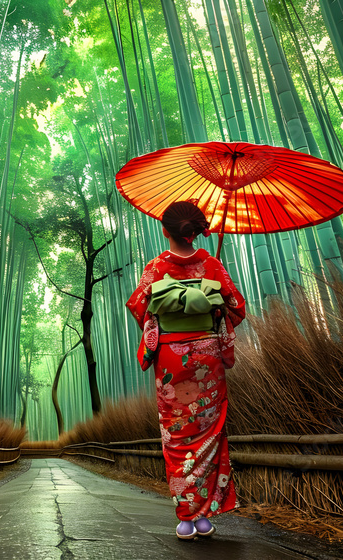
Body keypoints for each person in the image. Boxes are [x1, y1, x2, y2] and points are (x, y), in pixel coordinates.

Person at [125, 200, 246, 541]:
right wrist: (209, 301)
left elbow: (139, 307)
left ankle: (185, 517)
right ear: (196, 231)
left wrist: (172, 307)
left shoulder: (155, 267)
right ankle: (203, 516)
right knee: (209, 432)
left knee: (176, 433)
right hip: (207, 358)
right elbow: (236, 308)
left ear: (165, 230)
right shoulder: (212, 264)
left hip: (171, 360)